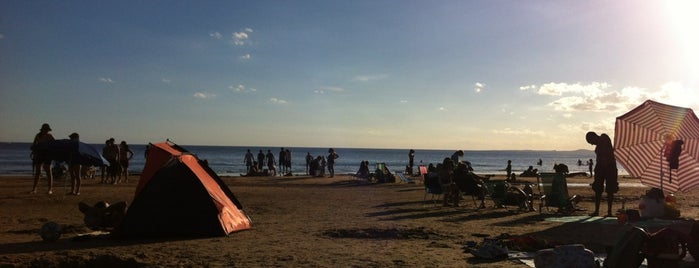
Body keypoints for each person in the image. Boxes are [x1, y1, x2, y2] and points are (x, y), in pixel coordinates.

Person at [586, 131, 618, 217]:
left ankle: (609, 212)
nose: (592, 144)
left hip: (609, 168)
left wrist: (603, 164)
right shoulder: (600, 144)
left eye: (591, 142)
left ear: (594, 137)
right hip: (601, 168)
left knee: (610, 190)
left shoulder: (604, 138)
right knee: (598, 190)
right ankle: (597, 211)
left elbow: (605, 155)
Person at [31, 123, 55, 194]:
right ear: (43, 129)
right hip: (39, 154)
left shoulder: (50, 136)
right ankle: (34, 189)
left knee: (48, 171)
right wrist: (34, 152)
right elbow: (34, 145)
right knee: (38, 172)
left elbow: (54, 144)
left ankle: (50, 189)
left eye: (47, 130)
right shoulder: (38, 135)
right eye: (46, 130)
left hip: (47, 154)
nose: (47, 131)